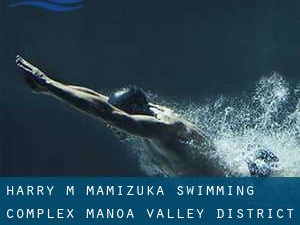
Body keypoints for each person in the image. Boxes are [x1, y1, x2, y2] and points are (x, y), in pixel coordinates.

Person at [15, 55, 278, 176]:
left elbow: (106, 112)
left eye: (115, 121)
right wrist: (51, 88)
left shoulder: (162, 129)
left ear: (132, 115)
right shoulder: (146, 114)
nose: (110, 126)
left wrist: (48, 84)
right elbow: (99, 100)